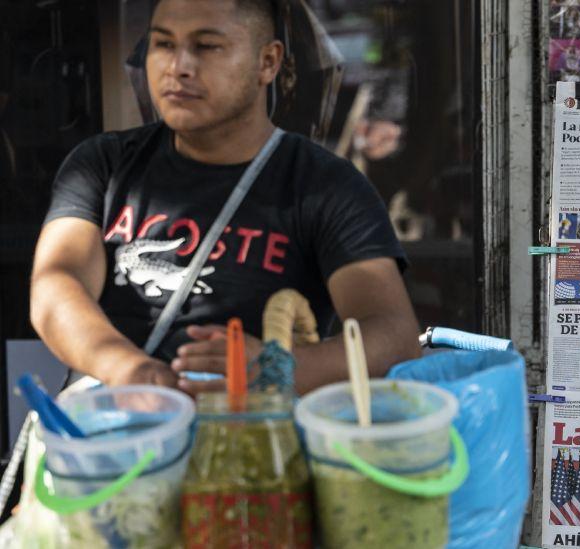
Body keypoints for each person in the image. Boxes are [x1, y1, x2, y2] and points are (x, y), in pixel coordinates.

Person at [29, 0, 420, 395]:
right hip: (112, 428)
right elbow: (56, 288)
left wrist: (275, 369)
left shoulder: (326, 186)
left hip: (250, 434)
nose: (178, 66)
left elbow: (392, 334)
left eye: (207, 47)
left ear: (268, 62)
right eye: (163, 44)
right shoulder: (102, 163)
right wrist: (129, 370)